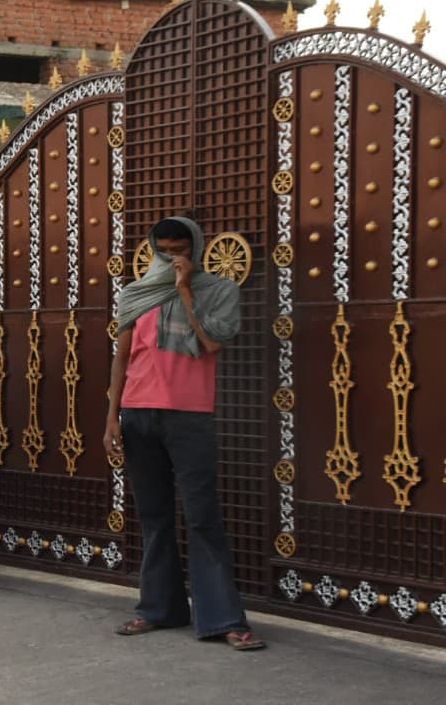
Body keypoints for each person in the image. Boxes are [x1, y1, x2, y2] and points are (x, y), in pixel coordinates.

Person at [103, 216, 265, 651]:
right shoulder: (136, 294)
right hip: (138, 413)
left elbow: (212, 342)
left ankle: (224, 619)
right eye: (165, 251)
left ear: (196, 248)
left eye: (181, 250)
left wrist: (186, 289)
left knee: (202, 516)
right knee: (153, 517)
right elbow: (122, 357)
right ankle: (159, 609)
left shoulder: (220, 290)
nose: (173, 258)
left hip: (189, 415)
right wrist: (112, 417)